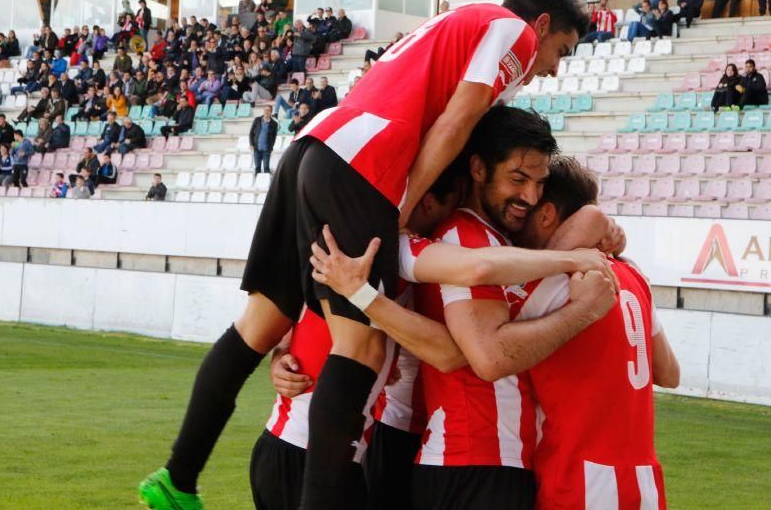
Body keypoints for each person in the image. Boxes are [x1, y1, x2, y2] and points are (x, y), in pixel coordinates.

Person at [137, 0, 589, 510]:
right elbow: (455, 122)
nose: (555, 66)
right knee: (363, 347)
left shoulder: (455, 21)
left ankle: (177, 479)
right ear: (540, 25)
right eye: (561, 49)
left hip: (315, 144)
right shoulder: (511, 31)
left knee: (259, 325)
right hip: (364, 164)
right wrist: (399, 210)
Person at [256, 152, 621, 510]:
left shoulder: (442, 246)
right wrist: (287, 350)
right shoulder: (419, 244)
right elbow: (469, 306)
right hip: (400, 434)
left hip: (408, 437)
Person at [504, 157, 680, 510]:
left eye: (526, 214)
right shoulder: (633, 275)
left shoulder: (553, 281)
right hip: (643, 479)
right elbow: (669, 374)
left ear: (547, 214)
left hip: (578, 478)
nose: (515, 228)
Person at [249, 106, 278, 174]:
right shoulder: (257, 120)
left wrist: (271, 147)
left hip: (267, 150)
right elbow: (251, 133)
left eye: (268, 110)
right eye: (265, 110)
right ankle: (257, 183)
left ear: (271, 112)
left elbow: (274, 137)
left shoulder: (274, 124)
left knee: (266, 168)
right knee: (257, 168)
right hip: (257, 148)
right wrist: (251, 144)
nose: (266, 112)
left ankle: (266, 183)